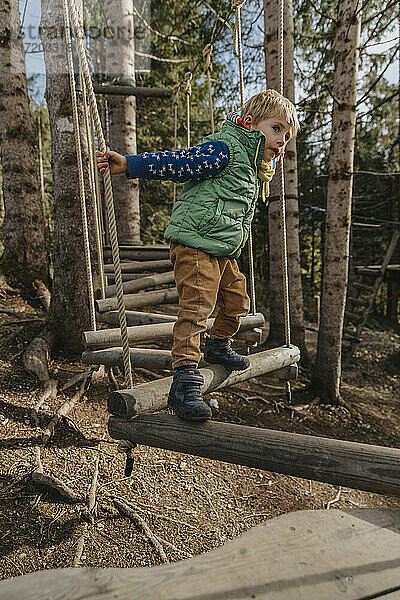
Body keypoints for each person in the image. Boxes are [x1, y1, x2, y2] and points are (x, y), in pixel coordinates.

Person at [97, 89, 299, 422]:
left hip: (220, 250)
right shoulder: (224, 150)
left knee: (237, 301)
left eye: (287, 136)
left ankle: (218, 344)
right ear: (250, 123)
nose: (282, 140)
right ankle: (185, 380)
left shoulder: (254, 167)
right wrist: (131, 164)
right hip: (194, 244)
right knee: (197, 307)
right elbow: (178, 163)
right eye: (277, 129)